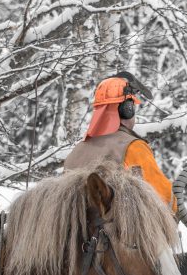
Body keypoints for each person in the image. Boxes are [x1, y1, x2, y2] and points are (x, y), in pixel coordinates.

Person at [65, 72, 176, 211]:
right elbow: (164, 197)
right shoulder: (132, 147)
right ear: (127, 109)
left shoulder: (77, 150)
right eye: (132, 108)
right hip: (120, 230)